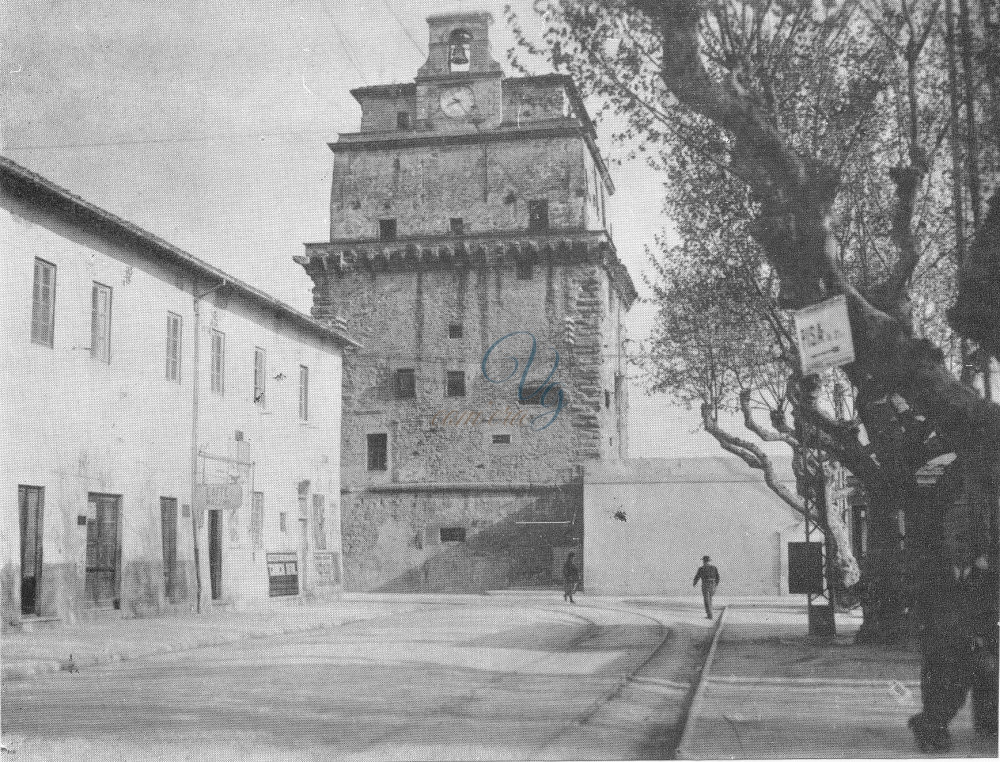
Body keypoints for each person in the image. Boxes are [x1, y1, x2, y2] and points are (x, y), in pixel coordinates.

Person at [908, 552, 998, 752]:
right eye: (956, 545)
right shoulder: (935, 577)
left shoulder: (988, 578)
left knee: (982, 667)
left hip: (976, 646)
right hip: (943, 646)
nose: (962, 552)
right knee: (943, 676)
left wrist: (984, 638)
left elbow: (993, 614)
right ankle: (933, 726)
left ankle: (931, 725)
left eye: (966, 547)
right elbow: (923, 614)